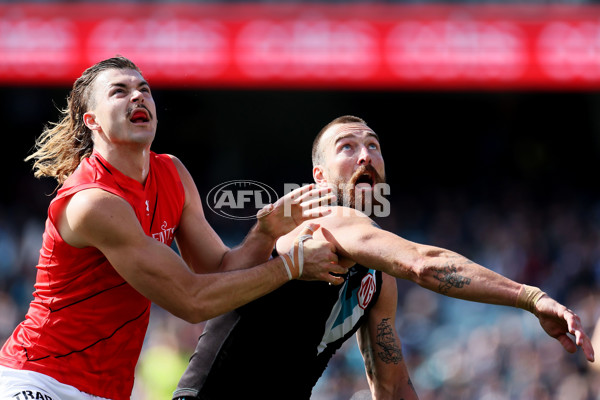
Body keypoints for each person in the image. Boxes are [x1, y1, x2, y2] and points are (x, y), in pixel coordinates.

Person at [172, 115, 595, 400]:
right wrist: (530, 297)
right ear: (319, 177)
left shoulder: (375, 278)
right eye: (347, 147)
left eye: (373, 146)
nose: (365, 155)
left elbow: (391, 386)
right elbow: (422, 263)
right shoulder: (329, 220)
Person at [0, 57, 349, 400]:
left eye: (144, 90)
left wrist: (264, 233)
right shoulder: (93, 202)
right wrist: (291, 266)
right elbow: (192, 301)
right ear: (92, 121)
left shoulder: (172, 173)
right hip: (38, 377)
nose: (138, 97)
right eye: (120, 91)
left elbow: (219, 272)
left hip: (108, 390)